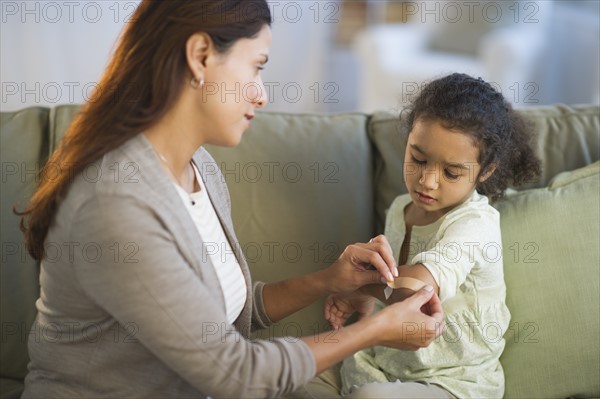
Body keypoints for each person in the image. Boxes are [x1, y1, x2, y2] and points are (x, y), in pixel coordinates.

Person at [17, 1, 444, 398]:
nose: (262, 93)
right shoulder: (115, 204)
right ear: (201, 55)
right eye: (256, 67)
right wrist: (379, 328)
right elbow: (236, 373)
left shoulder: (198, 167)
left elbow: (225, 320)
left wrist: (327, 281)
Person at [314, 73, 542, 398]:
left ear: (486, 171)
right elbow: (391, 284)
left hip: (454, 379)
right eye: (418, 159)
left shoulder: (476, 223)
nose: (427, 182)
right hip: (390, 364)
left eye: (451, 172)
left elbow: (418, 287)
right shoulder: (399, 209)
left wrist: (361, 286)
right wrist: (366, 302)